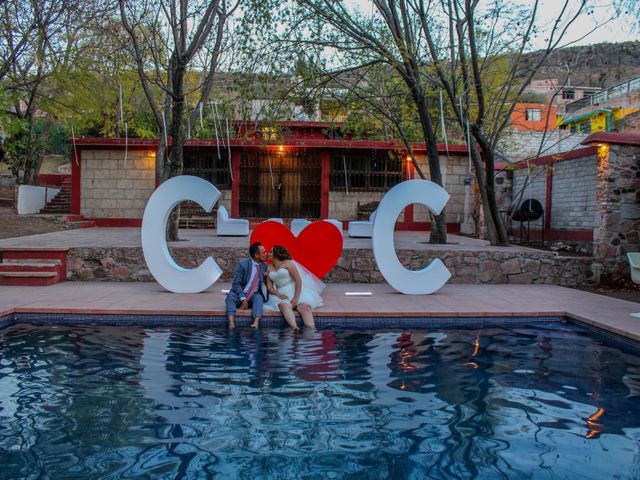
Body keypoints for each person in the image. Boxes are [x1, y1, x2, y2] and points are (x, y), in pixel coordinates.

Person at [264, 245, 324, 331]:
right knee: (284, 307)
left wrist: (296, 298)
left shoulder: (289, 263)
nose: (268, 254)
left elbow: (298, 281)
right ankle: (294, 327)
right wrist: (278, 294)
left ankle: (311, 330)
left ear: (276, 254)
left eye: (270, 252)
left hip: (295, 290)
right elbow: (269, 287)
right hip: (281, 293)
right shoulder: (269, 267)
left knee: (305, 308)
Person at [226, 242, 269, 329]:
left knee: (259, 298)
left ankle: (256, 322)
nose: (266, 254)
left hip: (253, 295)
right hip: (240, 294)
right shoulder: (243, 265)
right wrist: (243, 298)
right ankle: (231, 322)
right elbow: (236, 283)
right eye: (264, 252)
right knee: (230, 297)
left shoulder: (265, 266)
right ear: (256, 255)